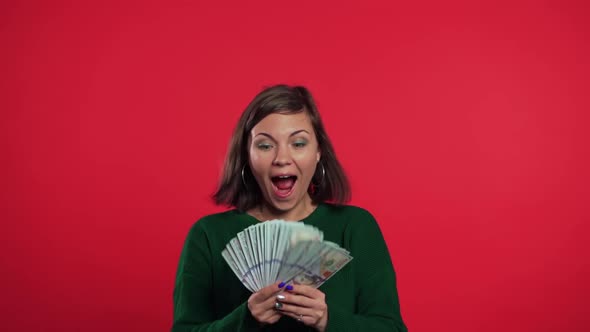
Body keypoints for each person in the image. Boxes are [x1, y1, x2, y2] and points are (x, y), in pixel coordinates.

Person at [172, 85, 407, 331]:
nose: (282, 158)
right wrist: (246, 319)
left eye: (298, 143)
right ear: (247, 155)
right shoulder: (208, 235)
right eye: (265, 146)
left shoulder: (356, 227)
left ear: (318, 152)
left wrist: (328, 320)